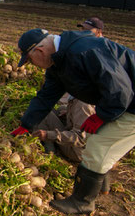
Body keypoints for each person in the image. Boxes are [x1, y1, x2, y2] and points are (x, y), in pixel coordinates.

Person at [12, 28, 135, 215]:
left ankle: (82, 202)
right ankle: (102, 185)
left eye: (30, 60)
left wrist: (102, 115)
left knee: (99, 145)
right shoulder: (59, 62)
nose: (33, 65)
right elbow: (46, 97)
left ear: (40, 51)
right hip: (128, 101)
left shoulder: (84, 51)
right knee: (100, 141)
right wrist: (26, 125)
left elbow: (120, 90)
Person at [32, 17, 105, 161]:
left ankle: (49, 148)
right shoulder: (82, 94)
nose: (82, 32)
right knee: (53, 109)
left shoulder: (98, 51)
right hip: (83, 133)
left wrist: (48, 135)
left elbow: (81, 137)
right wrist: (69, 111)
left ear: (99, 32)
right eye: (82, 29)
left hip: (79, 152)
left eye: (87, 30)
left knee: (43, 114)